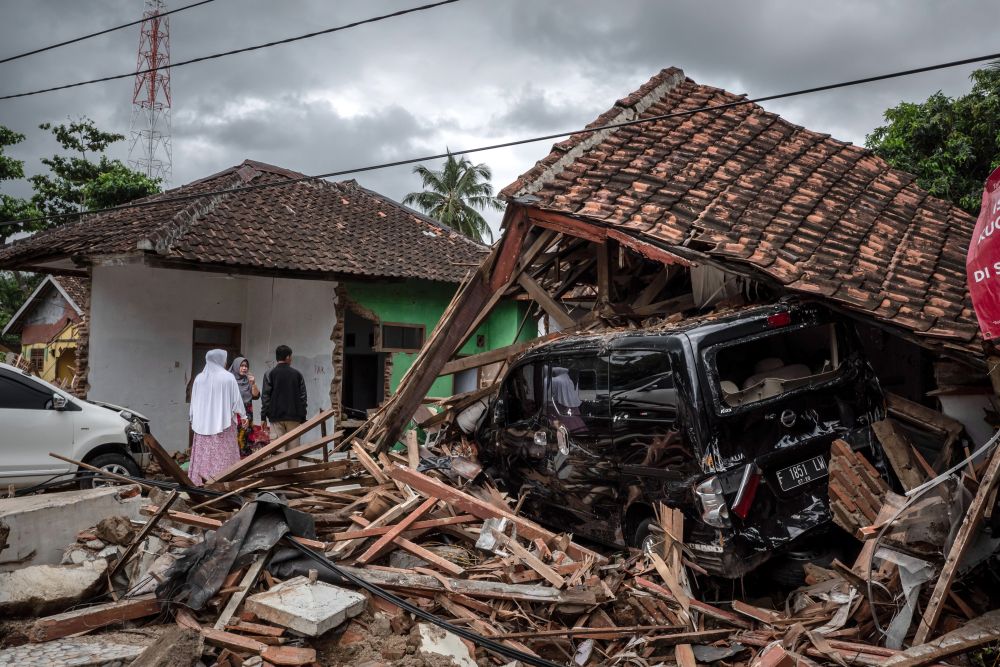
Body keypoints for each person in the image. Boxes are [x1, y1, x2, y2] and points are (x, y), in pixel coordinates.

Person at [189, 349, 246, 485]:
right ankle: (223, 484)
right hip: (223, 426)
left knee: (204, 457)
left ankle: (199, 482)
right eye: (224, 359)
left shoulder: (199, 378)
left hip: (202, 426)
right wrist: (243, 416)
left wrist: (193, 417)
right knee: (223, 456)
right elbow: (236, 401)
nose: (226, 362)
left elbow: (193, 402)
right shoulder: (228, 377)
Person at [261, 344, 307, 467]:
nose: (291, 359)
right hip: (294, 418)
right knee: (293, 451)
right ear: (287, 357)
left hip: (276, 418)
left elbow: (266, 397)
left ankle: (280, 478)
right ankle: (291, 477)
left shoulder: (269, 374)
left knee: (278, 451)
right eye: (291, 356)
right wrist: (303, 416)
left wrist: (263, 417)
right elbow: (303, 398)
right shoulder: (297, 374)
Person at [229, 356, 261, 457]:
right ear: (235, 366)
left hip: (247, 415)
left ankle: (245, 466)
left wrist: (253, 384)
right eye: (241, 366)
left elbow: (256, 396)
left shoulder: (248, 380)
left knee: (245, 441)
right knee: (234, 441)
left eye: (246, 366)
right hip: (234, 415)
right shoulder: (229, 381)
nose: (244, 368)